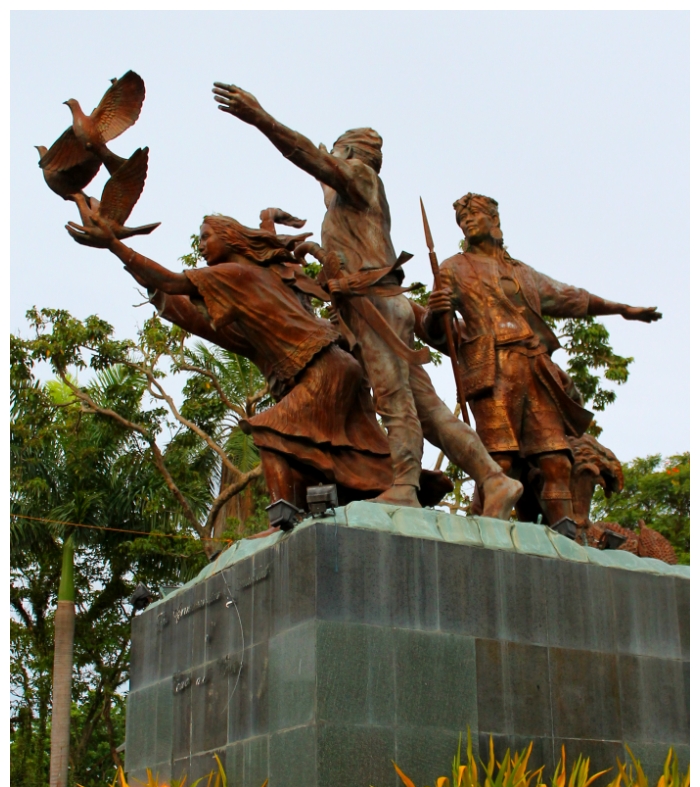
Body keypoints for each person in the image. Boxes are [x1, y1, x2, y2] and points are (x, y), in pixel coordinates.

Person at [211, 82, 522, 519]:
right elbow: (323, 173)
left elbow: (313, 159)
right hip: (373, 307)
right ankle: (495, 479)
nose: (330, 165)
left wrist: (262, 118)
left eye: (336, 155)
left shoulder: (362, 178)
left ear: (351, 154)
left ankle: (405, 487)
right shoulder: (345, 199)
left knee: (394, 400)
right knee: (431, 413)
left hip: (377, 306)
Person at [66, 210, 426, 510]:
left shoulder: (236, 274)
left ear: (231, 237)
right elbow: (190, 312)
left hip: (323, 369)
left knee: (271, 429)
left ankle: (283, 520)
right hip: (334, 369)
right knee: (342, 458)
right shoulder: (262, 281)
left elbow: (173, 282)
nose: (202, 245)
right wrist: (268, 221)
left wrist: (114, 245)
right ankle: (341, 506)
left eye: (206, 236)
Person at [421, 193, 661, 533]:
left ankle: (567, 530)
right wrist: (436, 310)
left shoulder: (522, 273)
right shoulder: (453, 268)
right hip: (491, 369)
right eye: (462, 220)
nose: (467, 222)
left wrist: (621, 309)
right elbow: (437, 332)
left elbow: (570, 297)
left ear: (495, 220)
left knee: (554, 456)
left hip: (534, 365)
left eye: (474, 215)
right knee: (499, 457)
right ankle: (488, 528)